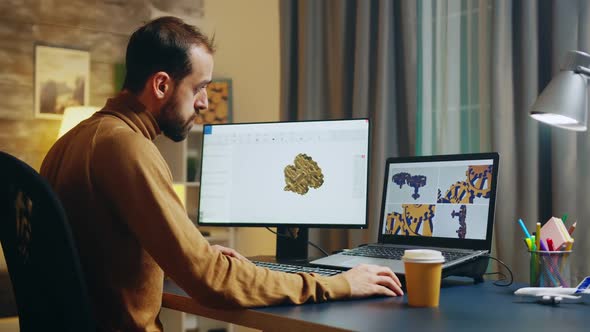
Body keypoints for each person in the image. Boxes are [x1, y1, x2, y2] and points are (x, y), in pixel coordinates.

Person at [40, 16, 403, 331]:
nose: (204, 103)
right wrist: (338, 284)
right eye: (199, 88)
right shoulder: (127, 148)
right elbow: (210, 280)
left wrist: (199, 252)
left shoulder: (71, 143)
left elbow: (103, 256)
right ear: (162, 84)